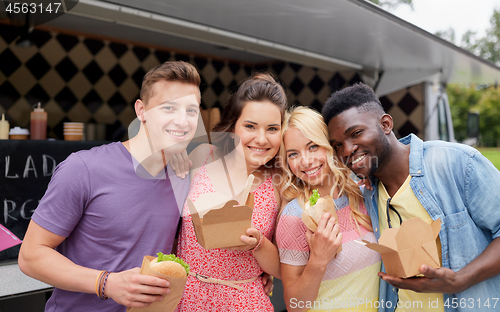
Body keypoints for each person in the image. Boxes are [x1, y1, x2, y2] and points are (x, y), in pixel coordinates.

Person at [18, 61, 202, 312]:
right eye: (169, 108)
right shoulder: (84, 168)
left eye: (191, 110)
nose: (182, 121)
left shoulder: (184, 177)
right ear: (142, 110)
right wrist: (106, 283)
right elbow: (30, 256)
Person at [323, 82, 500, 312]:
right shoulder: (365, 192)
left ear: (385, 124)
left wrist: (460, 280)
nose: (346, 151)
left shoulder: (457, 163)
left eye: (356, 133)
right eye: (337, 145)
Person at [175, 72, 286, 311]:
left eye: (272, 128)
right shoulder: (199, 157)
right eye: (250, 126)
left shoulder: (280, 182)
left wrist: (259, 246)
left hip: (245, 301)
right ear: (233, 125)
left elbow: (284, 267)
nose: (261, 138)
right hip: (187, 299)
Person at [276, 106, 382, 312]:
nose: (305, 161)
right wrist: (318, 260)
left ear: (330, 146)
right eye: (293, 154)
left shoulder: (364, 194)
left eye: (313, 146)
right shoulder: (295, 217)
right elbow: (295, 306)